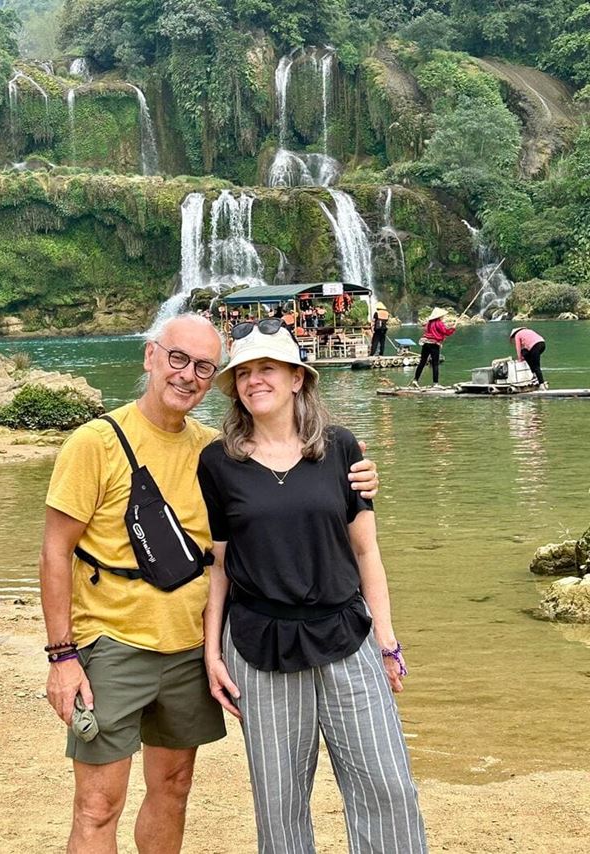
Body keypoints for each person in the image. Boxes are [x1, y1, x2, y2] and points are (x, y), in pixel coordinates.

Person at [38, 313, 379, 854]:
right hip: (111, 645)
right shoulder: (95, 442)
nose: (188, 375)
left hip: (190, 649)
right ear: (151, 356)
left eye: (204, 367)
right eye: (177, 359)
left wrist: (355, 474)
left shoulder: (215, 453)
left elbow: (279, 500)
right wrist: (62, 656)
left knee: (173, 790)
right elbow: (55, 552)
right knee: (99, 804)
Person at [198, 320, 427, 854]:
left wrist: (387, 641)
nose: (256, 381)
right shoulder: (218, 462)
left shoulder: (341, 447)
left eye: (268, 369)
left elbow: (366, 550)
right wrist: (212, 652)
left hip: (347, 634)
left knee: (386, 785)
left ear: (298, 378)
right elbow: (221, 564)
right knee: (279, 801)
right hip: (259, 642)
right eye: (245, 372)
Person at [411, 307, 457, 388]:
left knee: (422, 362)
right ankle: (435, 383)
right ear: (439, 316)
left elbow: (436, 331)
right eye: (442, 316)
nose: (443, 317)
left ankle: (415, 380)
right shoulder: (439, 323)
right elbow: (445, 332)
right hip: (434, 344)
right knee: (435, 364)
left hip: (425, 343)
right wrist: (453, 328)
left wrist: (450, 327)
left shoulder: (429, 323)